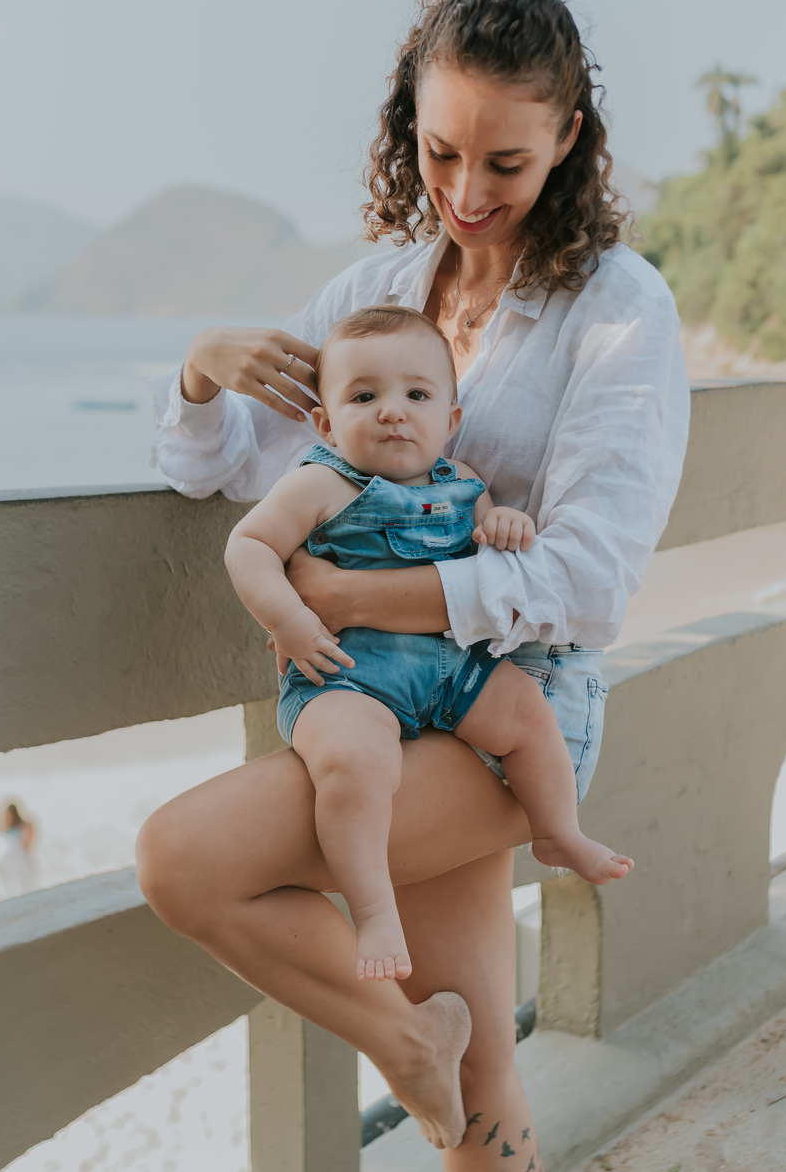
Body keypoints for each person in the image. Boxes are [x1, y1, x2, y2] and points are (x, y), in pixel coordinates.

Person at [137, 0, 690, 1172]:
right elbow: (248, 488)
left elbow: (587, 577)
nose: (465, 187)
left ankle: (401, 1040)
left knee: (186, 857)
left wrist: (368, 602)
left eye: (504, 160)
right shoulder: (375, 290)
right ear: (411, 118)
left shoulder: (618, 312)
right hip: (389, 712)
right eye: (440, 148)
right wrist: (198, 378)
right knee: (485, 1064)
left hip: (517, 713)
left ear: (570, 136)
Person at [225, 303, 633, 983]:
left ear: (449, 420)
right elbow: (249, 545)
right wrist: (288, 620)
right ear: (325, 423)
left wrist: (502, 520)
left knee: (530, 716)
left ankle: (557, 829)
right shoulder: (320, 484)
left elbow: (489, 534)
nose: (392, 411)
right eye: (364, 396)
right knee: (355, 767)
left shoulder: (463, 482)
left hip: (450, 669)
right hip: (346, 675)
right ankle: (375, 908)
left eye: (416, 395)